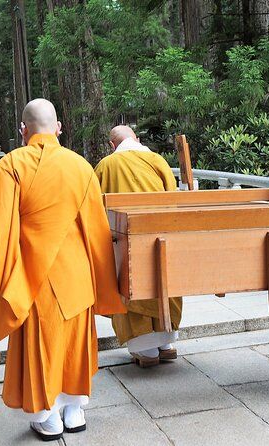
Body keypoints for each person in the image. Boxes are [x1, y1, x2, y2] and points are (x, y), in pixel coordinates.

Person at [0, 98, 126, 441]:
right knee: (74, 343)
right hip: (76, 275)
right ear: (59, 128)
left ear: (23, 130)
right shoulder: (81, 167)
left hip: (33, 276)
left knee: (42, 345)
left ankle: (48, 416)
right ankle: (74, 410)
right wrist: (103, 280)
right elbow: (97, 231)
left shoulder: (12, 164)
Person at [94, 125, 182, 368]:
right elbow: (173, 199)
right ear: (137, 139)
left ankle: (147, 351)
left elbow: (96, 209)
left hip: (127, 242)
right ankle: (166, 345)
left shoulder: (106, 166)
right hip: (161, 240)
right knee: (163, 284)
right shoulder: (158, 160)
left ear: (112, 146)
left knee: (132, 284)